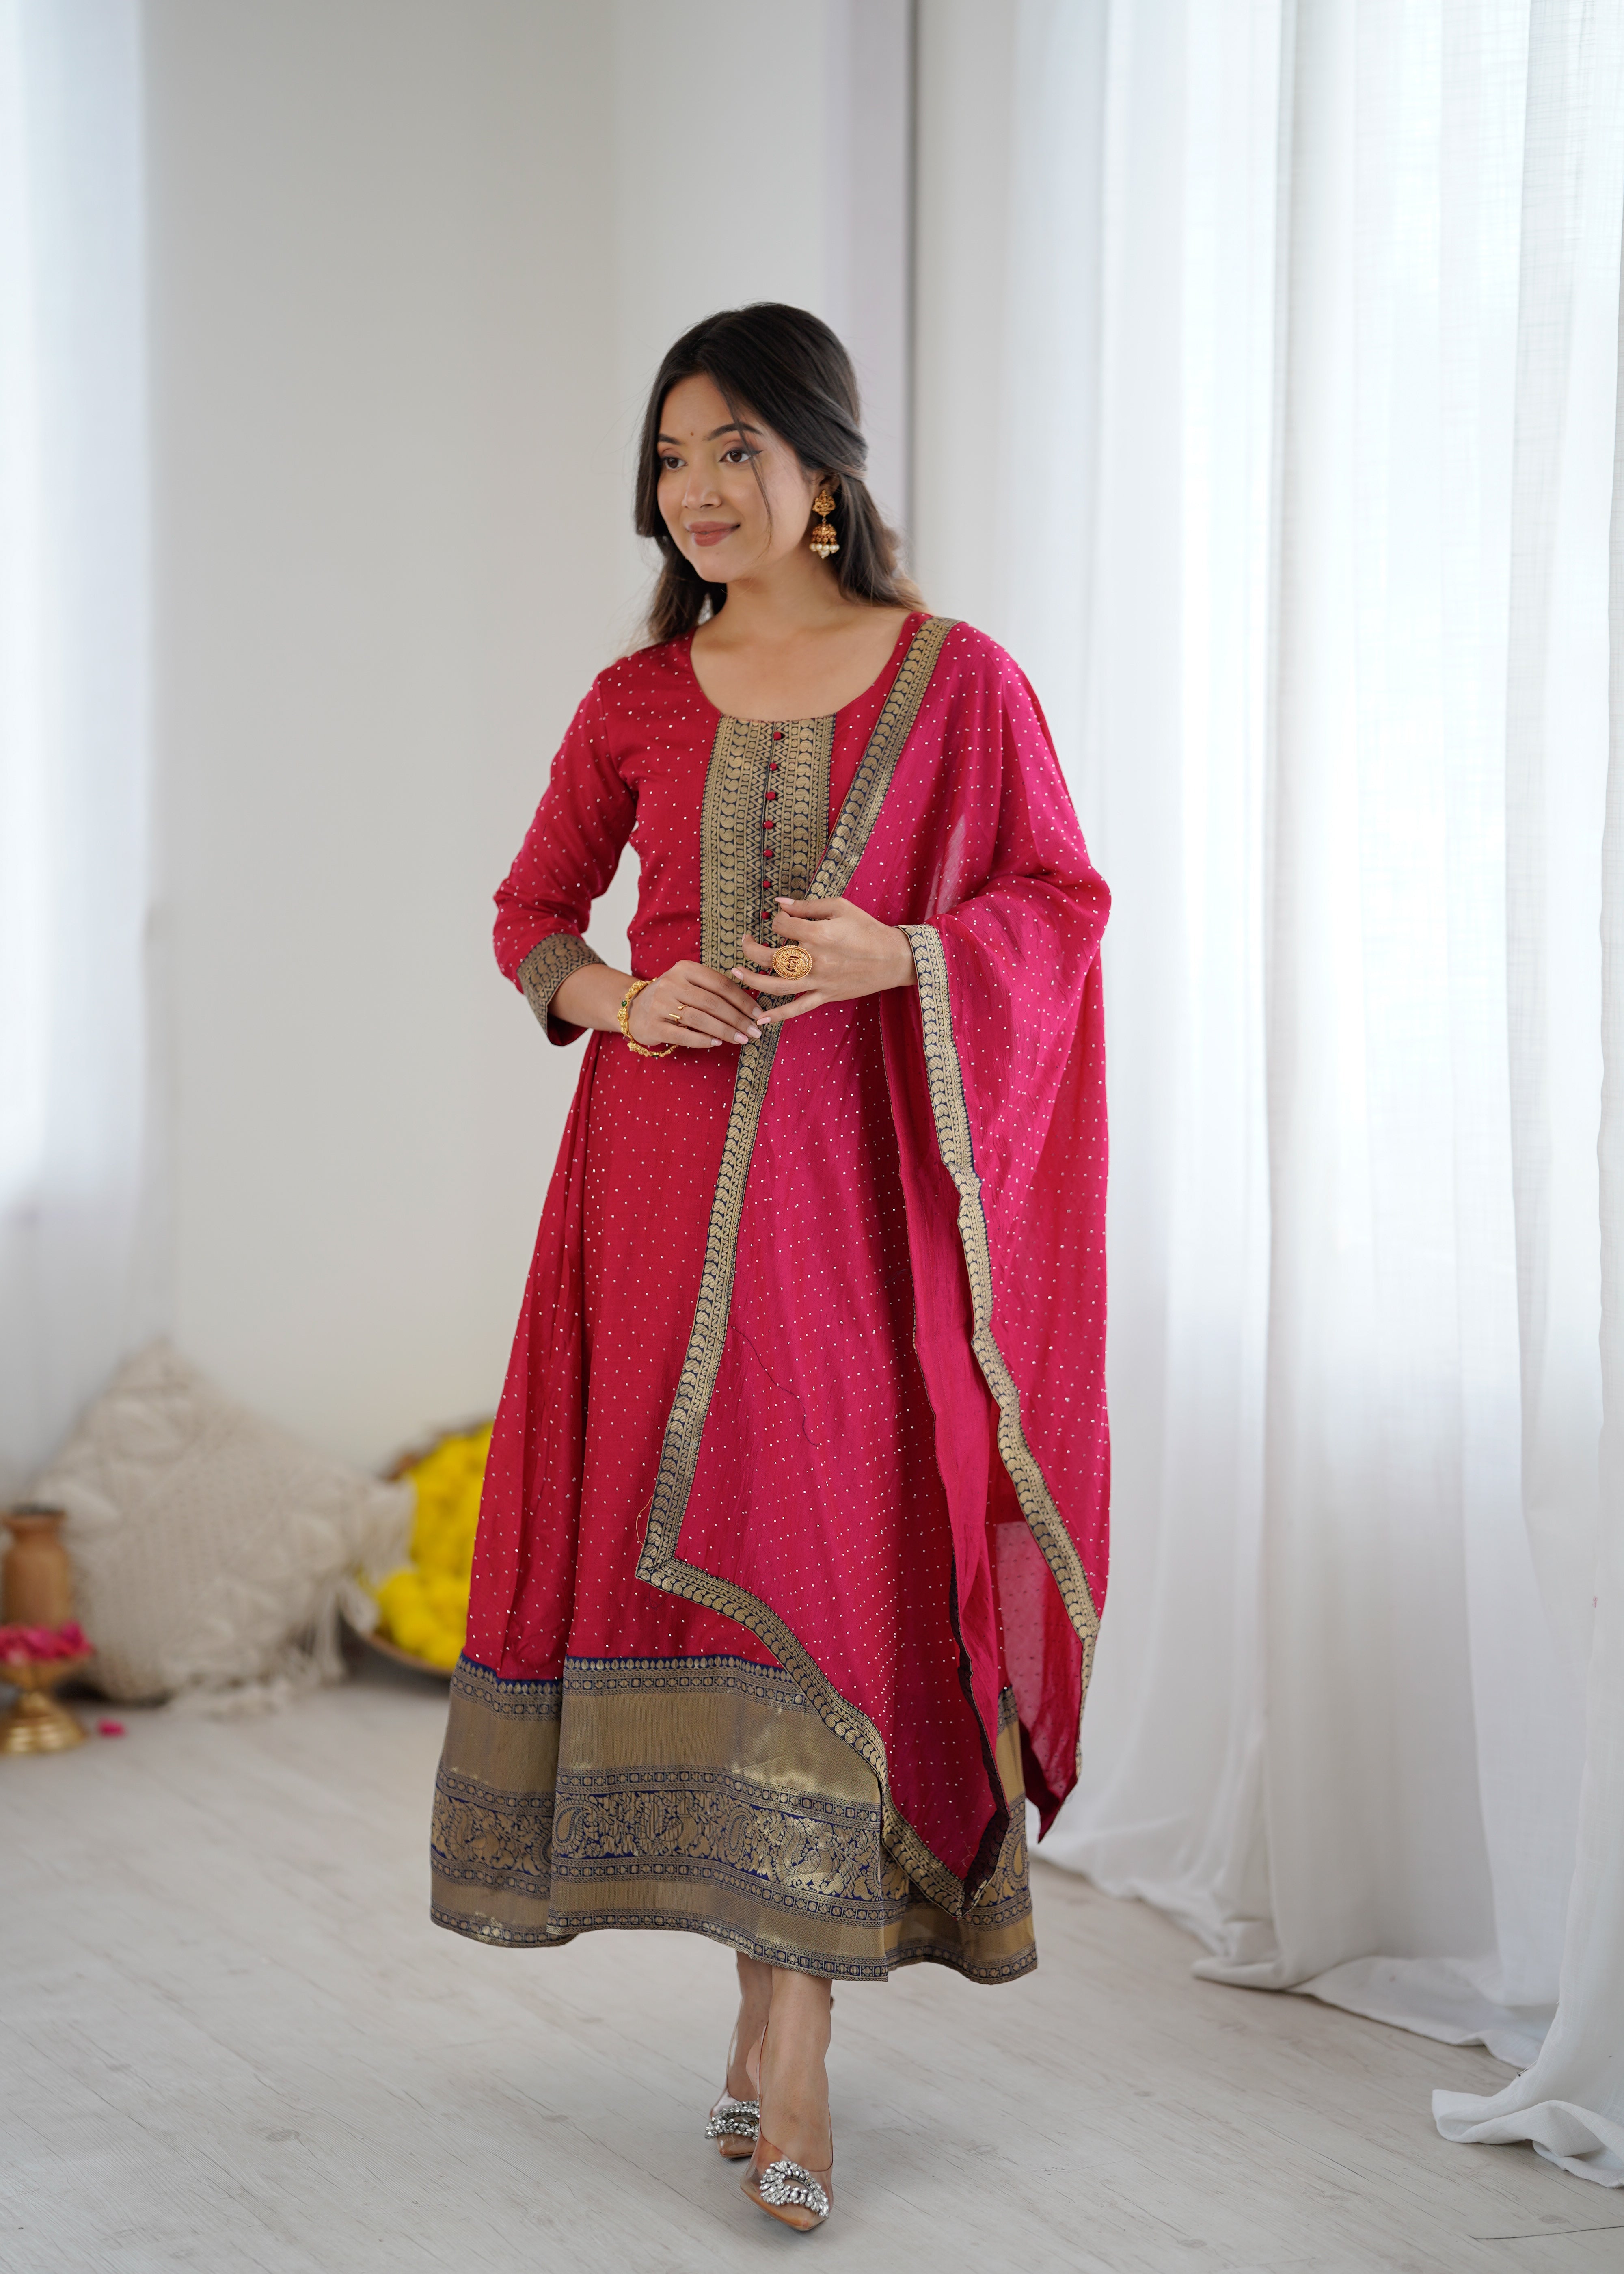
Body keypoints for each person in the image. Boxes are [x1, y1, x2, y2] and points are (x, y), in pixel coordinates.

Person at [430, 302, 1110, 2234]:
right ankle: (770, 2019)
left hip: (850, 1214)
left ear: (825, 466)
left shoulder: (958, 682)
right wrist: (620, 995)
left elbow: (1060, 900)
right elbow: (530, 911)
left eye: (734, 446)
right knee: (710, 1578)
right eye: (671, 456)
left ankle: (794, 2043)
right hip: (647, 1204)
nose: (697, 488)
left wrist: (910, 954)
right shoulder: (638, 698)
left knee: (817, 1572)